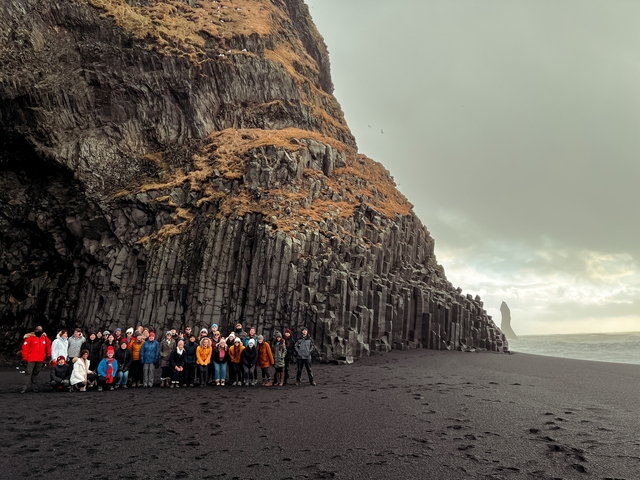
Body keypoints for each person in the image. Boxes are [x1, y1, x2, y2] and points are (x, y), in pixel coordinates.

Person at [21, 325, 51, 393]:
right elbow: (25, 349)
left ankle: (33, 387)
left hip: (40, 359)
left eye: (40, 330)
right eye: (38, 330)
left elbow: (48, 346)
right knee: (28, 373)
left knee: (35, 373)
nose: (39, 331)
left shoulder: (44, 338)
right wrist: (25, 358)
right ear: (35, 330)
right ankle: (24, 387)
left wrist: (48, 355)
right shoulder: (30, 338)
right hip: (31, 359)